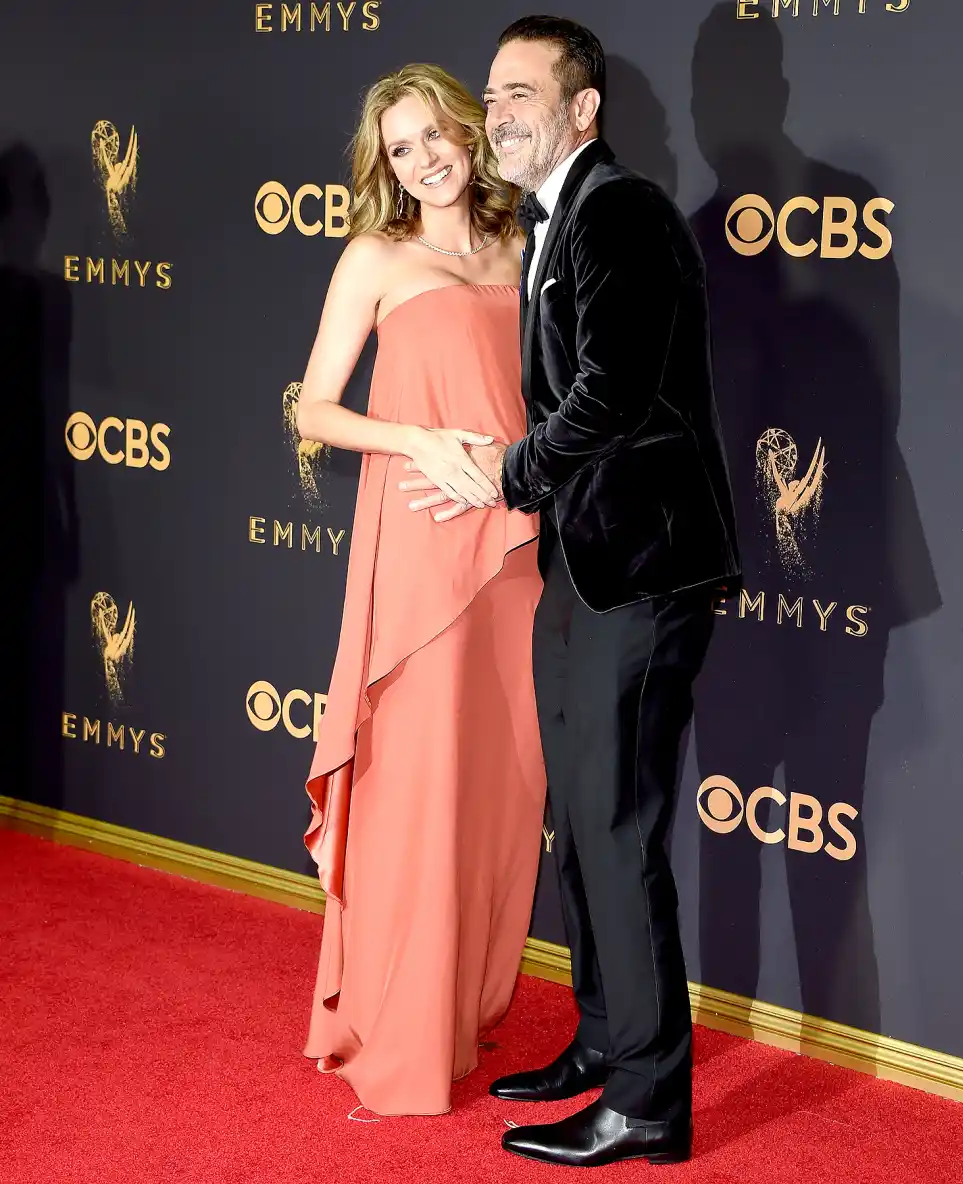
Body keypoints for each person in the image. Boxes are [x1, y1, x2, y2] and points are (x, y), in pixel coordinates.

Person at [401, 16, 741, 1167]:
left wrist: (504, 474)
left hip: (641, 568)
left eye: (517, 91)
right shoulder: (556, 219)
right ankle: (603, 1042)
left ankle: (648, 1097)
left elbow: (610, 390)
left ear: (583, 108)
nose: (494, 111)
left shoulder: (623, 210)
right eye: (488, 95)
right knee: (581, 830)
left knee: (616, 825)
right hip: (582, 563)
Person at [296, 62, 546, 1117]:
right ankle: (400, 1022)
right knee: (422, 783)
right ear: (383, 165)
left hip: (523, 547)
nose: (426, 158)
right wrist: (413, 441)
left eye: (437, 133)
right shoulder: (376, 257)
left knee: (503, 784)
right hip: (423, 543)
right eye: (400, 148)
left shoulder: (526, 241)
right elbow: (313, 409)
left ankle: (467, 1003)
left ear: (470, 130)